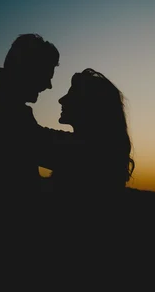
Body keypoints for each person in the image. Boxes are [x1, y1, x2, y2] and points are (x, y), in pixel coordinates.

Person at [0, 33, 59, 208]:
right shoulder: (5, 115)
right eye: (46, 74)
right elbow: (52, 150)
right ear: (27, 71)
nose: (49, 85)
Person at [36, 68, 135, 208]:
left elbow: (24, 136)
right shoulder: (103, 148)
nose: (61, 100)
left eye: (71, 95)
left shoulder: (84, 149)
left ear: (89, 105)